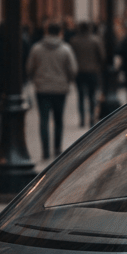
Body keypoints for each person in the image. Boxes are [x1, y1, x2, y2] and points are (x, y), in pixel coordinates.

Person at [26, 21, 77, 160]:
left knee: (43, 119)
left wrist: (35, 78)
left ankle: (45, 150)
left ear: (46, 32)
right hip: (60, 89)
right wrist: (68, 79)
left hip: (42, 89)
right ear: (60, 32)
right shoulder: (66, 49)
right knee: (58, 119)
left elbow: (29, 68)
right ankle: (57, 148)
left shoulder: (36, 48)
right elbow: (73, 69)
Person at [68, 21, 105, 127]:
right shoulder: (95, 40)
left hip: (79, 72)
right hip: (92, 71)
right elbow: (102, 56)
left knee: (80, 96)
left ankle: (82, 119)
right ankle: (92, 117)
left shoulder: (74, 41)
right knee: (91, 96)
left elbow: (71, 57)